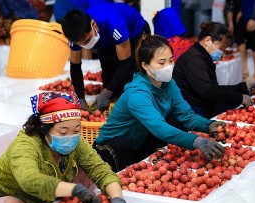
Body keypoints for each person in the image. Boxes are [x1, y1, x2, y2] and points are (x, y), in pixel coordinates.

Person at [0, 91, 130, 203]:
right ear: (44, 129)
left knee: (88, 173)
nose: (71, 136)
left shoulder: (76, 142)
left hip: (47, 198)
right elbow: (28, 180)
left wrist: (117, 198)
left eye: (76, 130)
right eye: (63, 131)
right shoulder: (26, 145)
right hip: (9, 199)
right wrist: (74, 190)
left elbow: (99, 168)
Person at [93, 35, 227, 172]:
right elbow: (159, 127)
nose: (168, 66)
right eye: (161, 63)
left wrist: (209, 125)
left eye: (170, 60)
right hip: (112, 149)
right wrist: (196, 141)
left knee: (175, 120)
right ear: (145, 65)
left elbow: (186, 115)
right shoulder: (137, 94)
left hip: (140, 141)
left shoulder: (169, 84)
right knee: (122, 144)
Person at [61, 3, 151, 112]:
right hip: (106, 39)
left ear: (93, 24)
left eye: (88, 40)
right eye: (81, 44)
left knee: (130, 81)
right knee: (108, 73)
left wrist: (107, 92)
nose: (86, 45)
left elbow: (126, 63)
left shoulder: (114, 23)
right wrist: (80, 99)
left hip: (134, 34)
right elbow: (75, 66)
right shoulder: (75, 37)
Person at [173, 22, 255, 119]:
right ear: (208, 40)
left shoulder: (202, 57)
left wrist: (243, 87)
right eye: (221, 48)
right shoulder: (194, 59)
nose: (221, 53)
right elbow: (208, 91)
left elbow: (214, 88)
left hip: (199, 103)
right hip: (189, 109)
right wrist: (239, 98)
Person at [227, 0, 255, 82]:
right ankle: (251, 72)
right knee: (246, 40)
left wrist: (253, 18)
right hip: (247, 14)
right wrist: (242, 11)